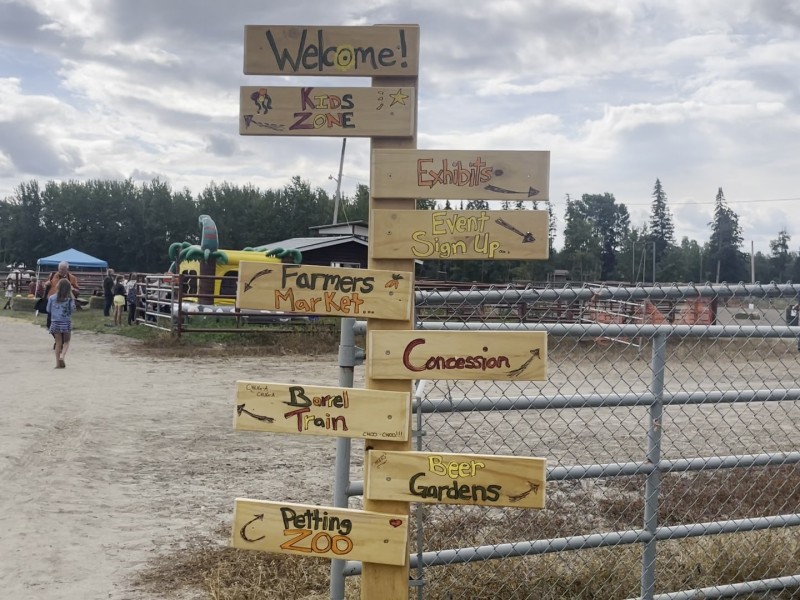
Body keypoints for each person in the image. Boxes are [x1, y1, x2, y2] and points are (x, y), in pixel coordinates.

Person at [48, 278, 75, 369]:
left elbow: (48, 310)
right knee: (66, 341)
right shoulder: (70, 299)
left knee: (58, 342)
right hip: (66, 322)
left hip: (55, 322)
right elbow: (73, 310)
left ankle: (57, 363)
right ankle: (62, 356)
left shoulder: (52, 298)